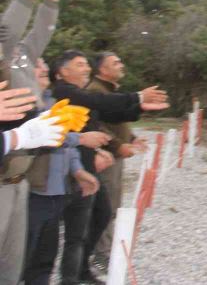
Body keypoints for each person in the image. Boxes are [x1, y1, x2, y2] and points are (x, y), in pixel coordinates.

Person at [51, 50, 168, 285]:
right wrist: (137, 96)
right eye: (80, 65)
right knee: (76, 227)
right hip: (72, 169)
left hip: (87, 165)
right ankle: (70, 276)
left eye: (87, 64)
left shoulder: (80, 93)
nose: (87, 69)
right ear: (63, 71)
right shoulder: (63, 91)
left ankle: (81, 268)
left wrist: (140, 107)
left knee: (101, 213)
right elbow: (100, 103)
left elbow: (109, 113)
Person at [0, 0, 70, 284]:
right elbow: (5, 33)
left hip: (18, 181)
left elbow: (42, 30)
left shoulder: (22, 58)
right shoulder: (3, 50)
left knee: (12, 271)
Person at [24, 58, 107, 285]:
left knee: (45, 259)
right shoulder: (22, 107)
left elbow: (66, 148)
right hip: (32, 193)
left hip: (55, 192)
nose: (44, 69)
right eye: (38, 67)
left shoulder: (53, 103)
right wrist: (80, 138)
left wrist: (78, 171)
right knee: (23, 258)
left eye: (43, 66)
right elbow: (39, 138)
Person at [88, 52, 147, 272]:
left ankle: (106, 250)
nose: (121, 65)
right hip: (105, 158)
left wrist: (131, 138)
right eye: (116, 62)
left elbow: (116, 121)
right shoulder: (95, 91)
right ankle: (101, 255)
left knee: (113, 205)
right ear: (102, 69)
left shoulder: (110, 91)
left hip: (116, 156)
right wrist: (117, 146)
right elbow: (96, 126)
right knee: (106, 206)